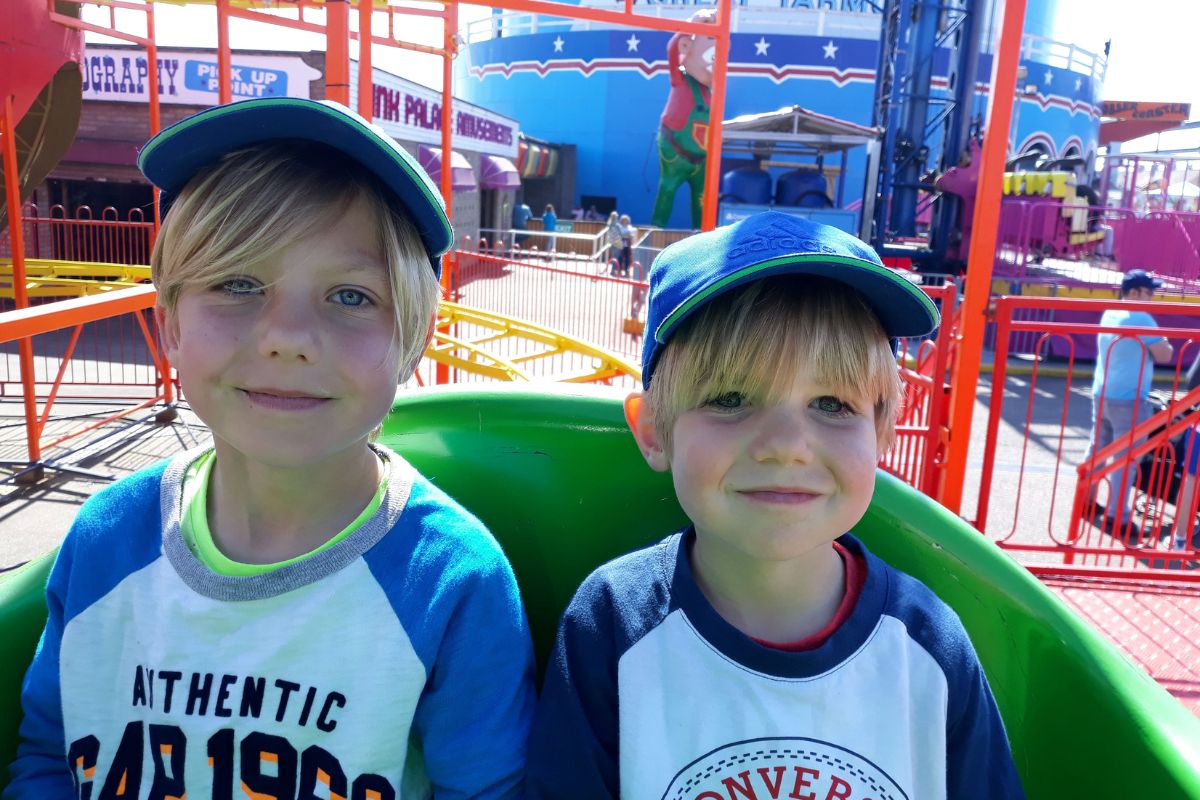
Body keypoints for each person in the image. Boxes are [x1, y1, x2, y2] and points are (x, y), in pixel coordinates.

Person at [4, 98, 536, 798]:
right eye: (239, 284)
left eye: (349, 296)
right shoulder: (107, 539)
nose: (288, 337)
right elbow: (49, 754)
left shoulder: (451, 583)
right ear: (169, 328)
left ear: (413, 342)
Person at [526, 211, 1025, 799]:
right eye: (733, 398)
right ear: (654, 431)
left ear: (884, 432)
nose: (787, 445)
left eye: (833, 404)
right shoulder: (611, 624)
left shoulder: (930, 647)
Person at [1086, 269, 1174, 539]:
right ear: (1135, 292)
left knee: (1097, 452)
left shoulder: (1111, 313)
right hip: (1129, 400)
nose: (1152, 298)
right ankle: (1117, 519)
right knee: (1126, 460)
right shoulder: (1143, 319)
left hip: (1102, 393)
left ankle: (1086, 502)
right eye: (1149, 292)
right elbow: (1165, 354)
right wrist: (1163, 342)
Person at [652, 9, 715, 229]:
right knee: (667, 189)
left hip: (702, 158)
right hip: (675, 151)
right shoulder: (680, 78)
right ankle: (656, 231)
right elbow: (671, 49)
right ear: (687, 47)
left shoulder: (710, 92)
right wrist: (691, 26)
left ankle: (702, 237)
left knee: (702, 200)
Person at [604, 210, 623, 275]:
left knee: (614, 257)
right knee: (616, 258)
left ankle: (612, 270)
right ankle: (613, 271)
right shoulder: (617, 225)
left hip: (612, 242)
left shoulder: (609, 225)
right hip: (617, 242)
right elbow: (621, 233)